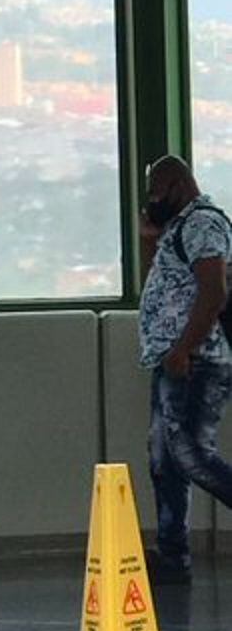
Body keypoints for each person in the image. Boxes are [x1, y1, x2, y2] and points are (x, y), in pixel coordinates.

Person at [139, 154, 232, 583]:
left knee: (192, 455)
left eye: (156, 192)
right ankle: (172, 555)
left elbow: (214, 291)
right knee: (164, 460)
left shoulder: (202, 223)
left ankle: (173, 553)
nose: (151, 201)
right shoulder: (177, 228)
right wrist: (149, 237)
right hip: (171, 359)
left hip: (196, 359)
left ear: (177, 185)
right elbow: (162, 287)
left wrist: (183, 348)